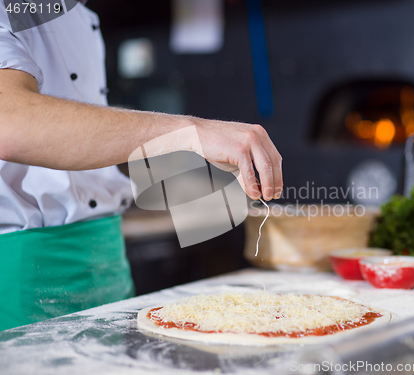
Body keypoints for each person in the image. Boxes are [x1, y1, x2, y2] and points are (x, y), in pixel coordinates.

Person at [0, 0, 282, 331]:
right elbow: (11, 120)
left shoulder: (80, 15)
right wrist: (192, 132)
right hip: (25, 276)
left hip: (106, 262)